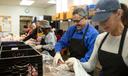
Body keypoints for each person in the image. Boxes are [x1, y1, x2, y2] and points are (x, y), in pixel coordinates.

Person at [66, 0, 128, 76]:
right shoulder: (100, 38)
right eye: (99, 20)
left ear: (119, 13)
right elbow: (90, 66)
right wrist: (76, 63)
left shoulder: (126, 40)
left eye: (105, 19)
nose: (101, 24)